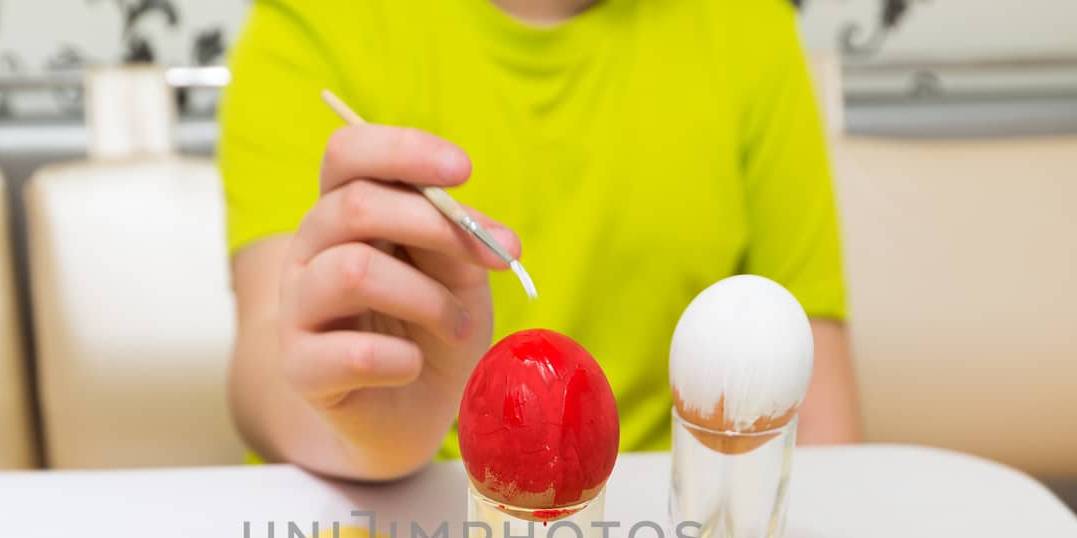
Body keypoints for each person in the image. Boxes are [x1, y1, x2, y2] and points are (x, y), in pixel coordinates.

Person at [220, 0, 861, 481]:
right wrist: (364, 435)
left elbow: (820, 416)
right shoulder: (314, 21)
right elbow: (266, 362)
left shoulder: (745, 25)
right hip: (392, 528)